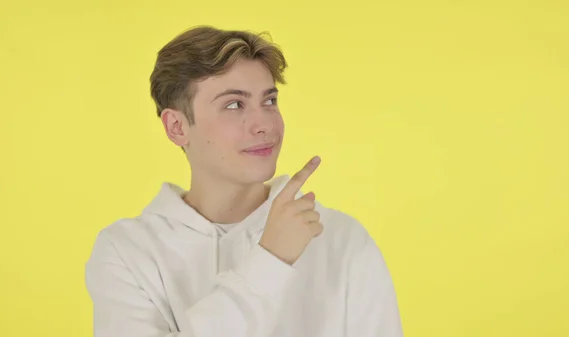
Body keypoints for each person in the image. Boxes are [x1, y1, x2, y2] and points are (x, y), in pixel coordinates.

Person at [85, 25, 403, 337]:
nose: (263, 124)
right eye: (234, 104)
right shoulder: (127, 251)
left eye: (269, 101)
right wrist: (271, 261)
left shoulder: (342, 240)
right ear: (178, 127)